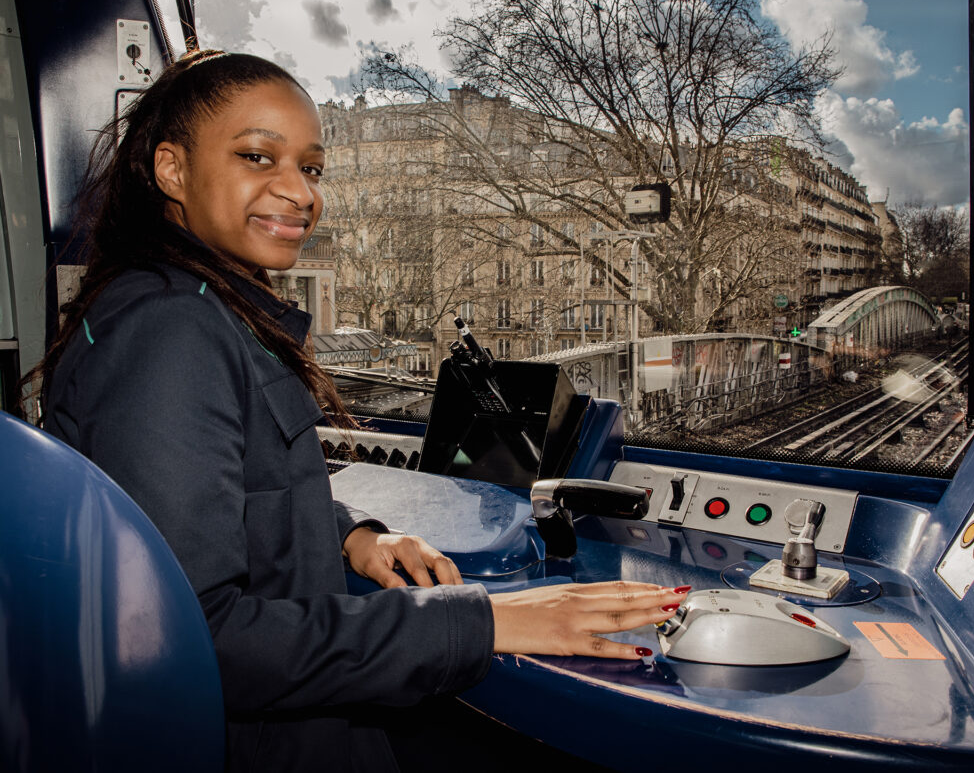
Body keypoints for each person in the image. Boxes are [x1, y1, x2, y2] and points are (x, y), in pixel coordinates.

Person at [30, 50, 687, 772]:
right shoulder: (169, 332)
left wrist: (351, 534)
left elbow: (224, 494)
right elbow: (201, 634)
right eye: (258, 157)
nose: (299, 193)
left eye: (311, 169)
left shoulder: (188, 307)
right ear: (171, 170)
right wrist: (487, 618)